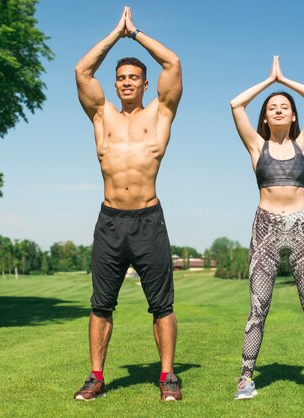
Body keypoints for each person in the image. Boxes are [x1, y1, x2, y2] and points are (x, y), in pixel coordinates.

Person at [73, 7, 183, 402]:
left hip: (149, 219)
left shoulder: (161, 113)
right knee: (101, 304)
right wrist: (112, 35)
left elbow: (173, 62)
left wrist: (134, 34)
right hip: (110, 221)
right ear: (115, 85)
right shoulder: (102, 116)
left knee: (161, 305)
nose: (126, 83)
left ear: (145, 83)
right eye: (120, 78)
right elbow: (82, 72)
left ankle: (168, 376)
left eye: (133, 78)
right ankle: (96, 376)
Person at [229, 56, 304, 399]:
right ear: (264, 117)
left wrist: (286, 80)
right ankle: (246, 379)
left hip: (302, 229)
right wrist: (268, 81)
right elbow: (236, 104)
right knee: (258, 307)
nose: (278, 110)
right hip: (265, 229)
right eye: (272, 107)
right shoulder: (256, 146)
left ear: (294, 116)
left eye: (284, 107)